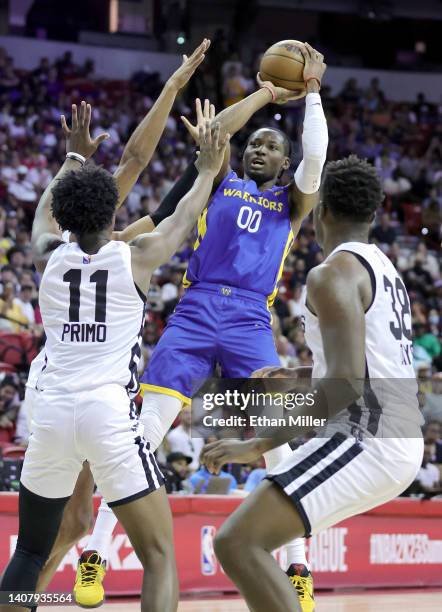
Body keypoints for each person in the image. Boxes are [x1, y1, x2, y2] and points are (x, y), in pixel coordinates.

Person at [83, 42, 327, 611]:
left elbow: (315, 159)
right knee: (143, 435)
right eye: (257, 143)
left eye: (272, 145)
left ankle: (298, 567)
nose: (261, 147)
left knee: (276, 447)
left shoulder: (292, 203)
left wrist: (311, 96)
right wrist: (267, 95)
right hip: (193, 313)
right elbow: (216, 131)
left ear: (284, 165)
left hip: (248, 318)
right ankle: (93, 555)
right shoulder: (215, 181)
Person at [0, 100, 228, 612]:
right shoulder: (137, 256)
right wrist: (209, 169)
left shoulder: (45, 256)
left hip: (52, 414)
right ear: (113, 213)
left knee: (31, 551)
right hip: (109, 416)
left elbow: (42, 214)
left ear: (66, 216)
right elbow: (185, 215)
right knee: (160, 554)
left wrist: (73, 159)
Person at [201, 155, 424, 612]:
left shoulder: (332, 275)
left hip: (369, 439)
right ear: (374, 214)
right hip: (392, 437)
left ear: (320, 210)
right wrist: (300, 375)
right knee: (244, 542)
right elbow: (368, 367)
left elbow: (345, 386)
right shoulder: (382, 266)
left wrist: (257, 443)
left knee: (238, 543)